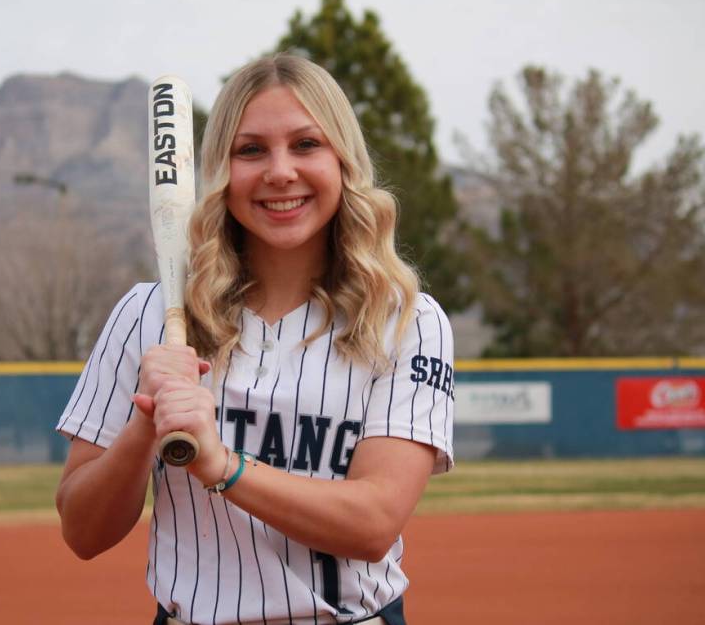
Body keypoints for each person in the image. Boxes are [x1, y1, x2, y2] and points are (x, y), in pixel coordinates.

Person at [55, 53, 455, 625]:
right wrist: (148, 422)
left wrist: (221, 463)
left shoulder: (405, 321)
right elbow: (82, 530)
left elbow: (372, 522)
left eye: (306, 144)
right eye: (251, 150)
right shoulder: (147, 314)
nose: (280, 172)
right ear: (221, 171)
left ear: (343, 160)